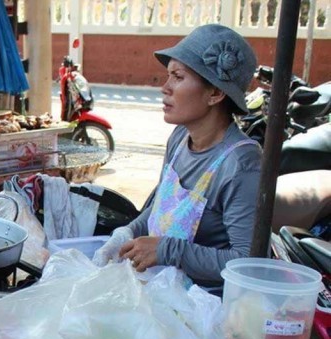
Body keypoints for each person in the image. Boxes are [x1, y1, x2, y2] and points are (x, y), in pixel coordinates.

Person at [93, 24, 262, 286]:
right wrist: (127, 232)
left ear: (215, 93)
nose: (165, 88)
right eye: (168, 76)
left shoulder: (241, 163)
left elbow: (246, 264)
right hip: (162, 290)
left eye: (178, 77)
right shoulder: (180, 137)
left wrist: (168, 251)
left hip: (207, 307)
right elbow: (160, 208)